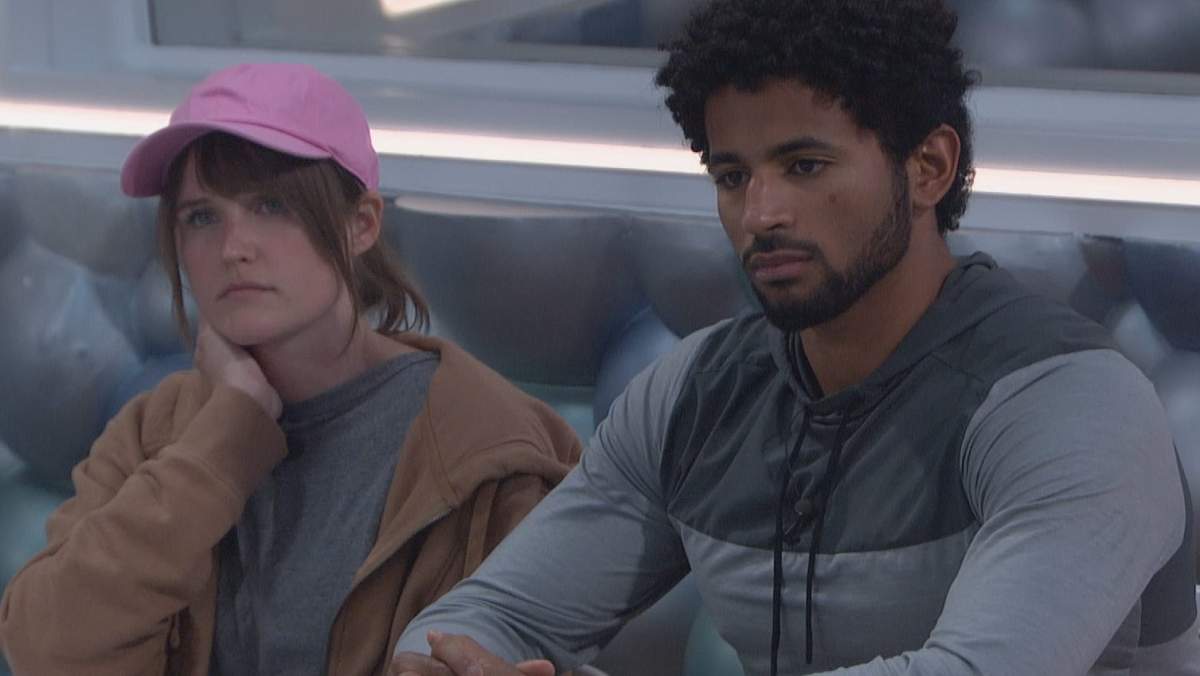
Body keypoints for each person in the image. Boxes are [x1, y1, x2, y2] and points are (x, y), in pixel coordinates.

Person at [388, 1, 1200, 675]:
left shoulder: (1071, 401)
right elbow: (479, 619)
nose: (760, 213)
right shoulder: (693, 392)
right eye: (732, 176)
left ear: (929, 167)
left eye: (805, 166)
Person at [0, 63, 581, 676]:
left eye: (272, 205)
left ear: (361, 224)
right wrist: (223, 440)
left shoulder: (493, 450)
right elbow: (46, 650)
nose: (233, 248)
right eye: (202, 216)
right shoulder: (158, 427)